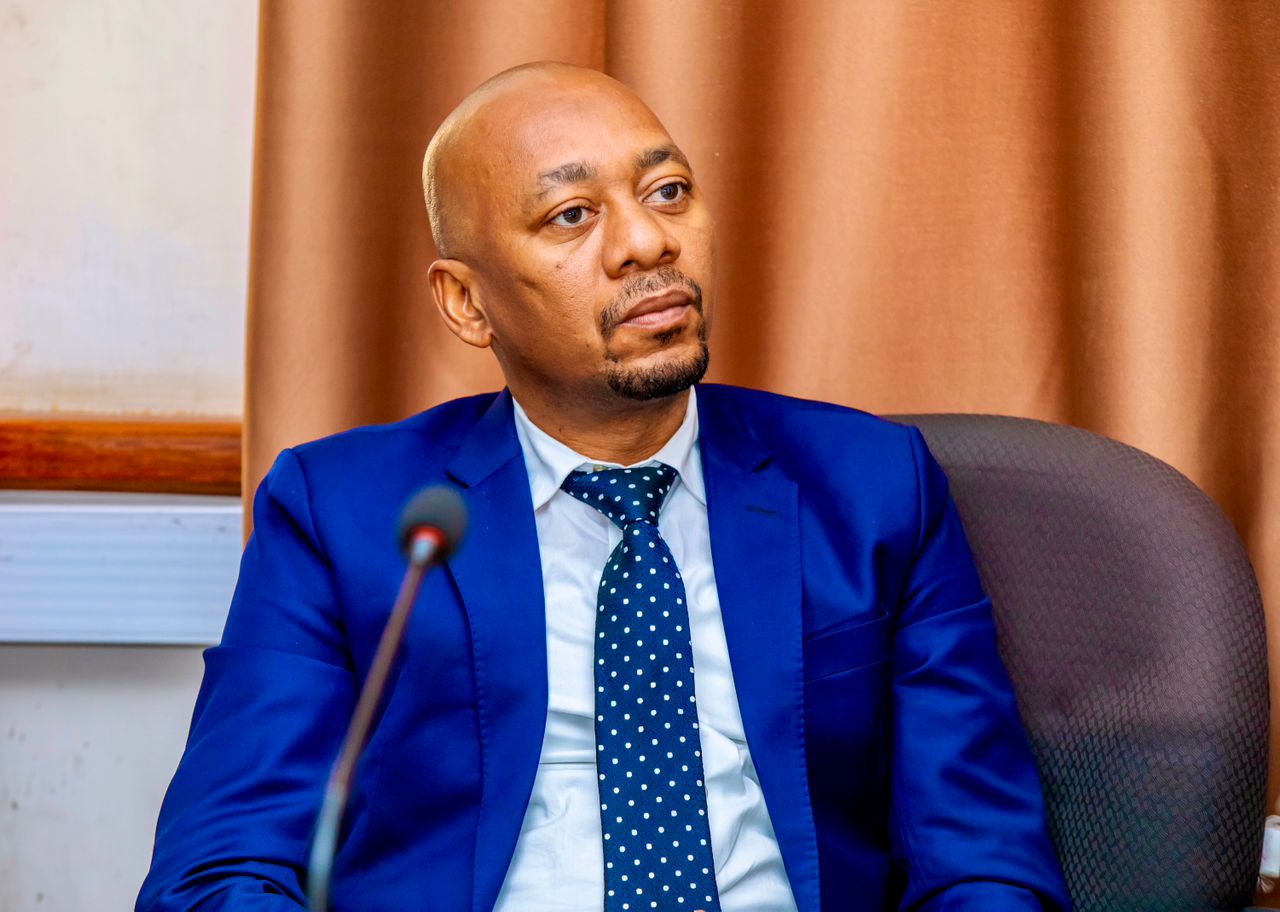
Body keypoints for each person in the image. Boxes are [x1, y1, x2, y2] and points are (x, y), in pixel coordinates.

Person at [138, 62, 1071, 912]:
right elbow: (220, 870)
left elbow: (983, 864)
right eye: (571, 216)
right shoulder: (341, 514)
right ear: (467, 302)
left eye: (669, 192)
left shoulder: (870, 488)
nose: (646, 243)